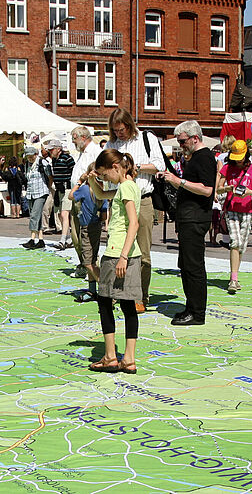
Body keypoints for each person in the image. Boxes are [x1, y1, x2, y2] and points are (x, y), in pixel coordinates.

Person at [85, 149, 142, 373]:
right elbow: (102, 195)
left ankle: (110, 356)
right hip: (126, 252)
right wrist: (93, 180)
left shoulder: (126, 187)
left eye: (106, 175)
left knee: (105, 302)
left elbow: (134, 223)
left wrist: (123, 257)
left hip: (119, 252)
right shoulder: (127, 186)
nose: (105, 180)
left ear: (116, 167)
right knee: (128, 305)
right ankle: (128, 359)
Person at [107, 108, 167, 314]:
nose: (119, 134)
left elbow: (160, 166)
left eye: (121, 129)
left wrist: (134, 166)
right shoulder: (112, 144)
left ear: (129, 125)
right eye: (115, 131)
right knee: (116, 250)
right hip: (118, 201)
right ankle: (119, 293)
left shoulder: (146, 138)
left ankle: (141, 296)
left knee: (142, 254)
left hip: (142, 200)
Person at [161, 120, 216, 326]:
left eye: (182, 141)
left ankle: (197, 312)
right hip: (188, 218)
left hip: (195, 218)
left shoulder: (204, 157)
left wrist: (179, 182)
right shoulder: (195, 157)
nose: (180, 145)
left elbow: (207, 189)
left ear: (195, 138)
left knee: (193, 266)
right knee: (185, 264)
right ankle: (191, 307)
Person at [216, 140, 252, 294]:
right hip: (232, 208)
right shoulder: (227, 168)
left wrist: (250, 192)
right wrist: (228, 188)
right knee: (235, 242)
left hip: (246, 209)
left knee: (241, 245)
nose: (239, 161)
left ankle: (235, 274)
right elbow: (219, 189)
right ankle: (233, 279)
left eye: (241, 157)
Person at [65, 126, 104, 266]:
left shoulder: (96, 152)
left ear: (83, 138)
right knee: (76, 235)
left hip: (88, 197)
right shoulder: (81, 153)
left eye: (74, 139)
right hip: (77, 195)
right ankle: (84, 263)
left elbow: (101, 174)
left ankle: (91, 264)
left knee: (87, 234)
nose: (73, 142)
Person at [21, 145, 51, 249]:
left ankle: (32, 238)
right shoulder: (27, 165)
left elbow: (50, 175)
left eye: (31, 156)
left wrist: (49, 187)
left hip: (41, 191)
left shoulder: (42, 163)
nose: (29, 158)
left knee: (34, 215)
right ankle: (41, 239)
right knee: (36, 216)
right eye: (28, 156)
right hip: (30, 192)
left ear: (35, 154)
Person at [48, 140, 76, 246]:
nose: (50, 152)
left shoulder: (67, 158)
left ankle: (63, 240)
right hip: (59, 189)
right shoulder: (54, 160)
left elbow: (74, 172)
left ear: (58, 149)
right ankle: (69, 237)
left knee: (65, 214)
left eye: (52, 150)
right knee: (60, 214)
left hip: (67, 188)